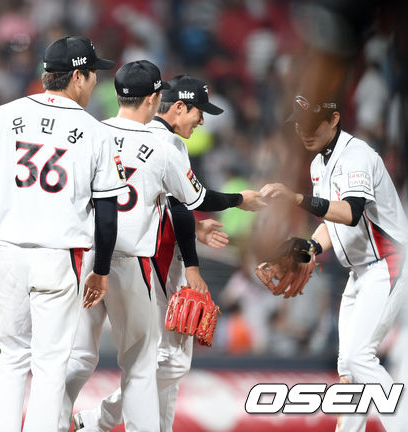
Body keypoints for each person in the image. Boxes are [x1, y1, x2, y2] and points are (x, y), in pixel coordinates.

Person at [0, 36, 127, 432]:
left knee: (11, 355)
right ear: (77, 76)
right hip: (59, 256)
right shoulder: (94, 131)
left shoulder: (4, 115)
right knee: (50, 361)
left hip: (7, 252)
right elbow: (108, 216)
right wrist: (102, 271)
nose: (96, 82)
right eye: (93, 74)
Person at [66, 73, 265, 431]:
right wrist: (236, 204)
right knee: (166, 360)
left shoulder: (99, 131)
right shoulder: (166, 144)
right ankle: (98, 420)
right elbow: (189, 204)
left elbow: (168, 205)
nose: (201, 120)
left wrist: (193, 230)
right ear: (177, 106)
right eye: (199, 111)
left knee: (85, 357)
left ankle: (61, 420)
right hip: (149, 259)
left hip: (91, 252)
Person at [260, 94, 408, 432]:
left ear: (334, 119)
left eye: (312, 124)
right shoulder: (319, 164)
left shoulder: (357, 155)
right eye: (299, 125)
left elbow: (351, 212)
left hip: (389, 261)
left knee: (360, 357)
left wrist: (297, 198)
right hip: (361, 272)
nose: (304, 131)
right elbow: (333, 221)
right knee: (348, 367)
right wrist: (311, 246)